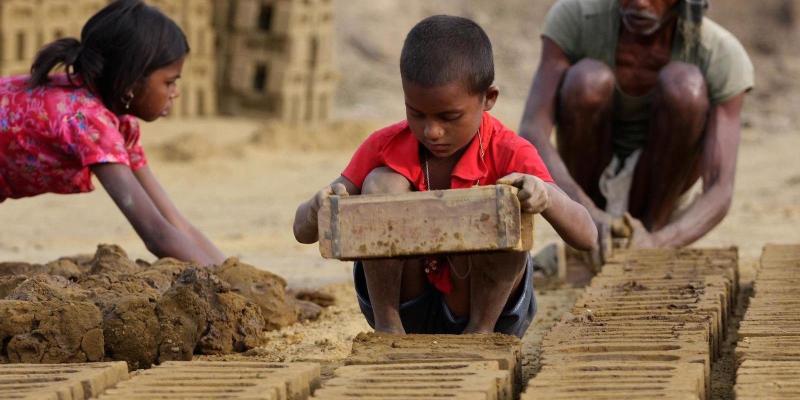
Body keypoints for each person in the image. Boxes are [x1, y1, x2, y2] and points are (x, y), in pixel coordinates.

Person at [293, 15, 597, 337]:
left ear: (489, 98)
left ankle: (479, 333)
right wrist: (317, 209)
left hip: (484, 307)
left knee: (504, 199)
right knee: (381, 183)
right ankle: (388, 326)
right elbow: (302, 231)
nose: (432, 131)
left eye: (449, 117)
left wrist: (544, 197)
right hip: (410, 304)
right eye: (416, 113)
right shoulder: (385, 145)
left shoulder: (509, 150)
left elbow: (587, 236)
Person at [0, 0, 224, 265]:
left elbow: (174, 222)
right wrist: (226, 286)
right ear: (131, 81)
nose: (175, 92)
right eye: (169, 82)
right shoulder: (87, 120)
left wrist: (232, 273)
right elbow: (156, 234)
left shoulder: (119, 123)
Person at [519, 0, 753, 252]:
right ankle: (594, 234)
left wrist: (658, 242)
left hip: (662, 187)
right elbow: (533, 133)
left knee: (685, 87)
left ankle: (652, 226)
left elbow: (720, 188)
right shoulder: (577, 18)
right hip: (587, 180)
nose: (640, 2)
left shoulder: (719, 53)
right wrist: (587, 216)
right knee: (588, 80)